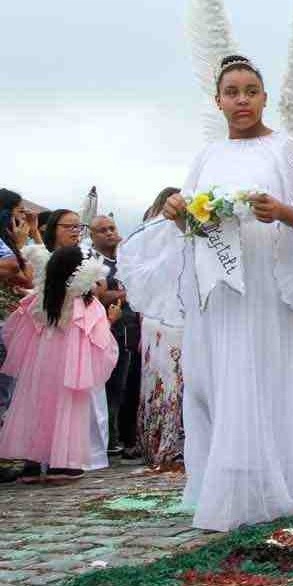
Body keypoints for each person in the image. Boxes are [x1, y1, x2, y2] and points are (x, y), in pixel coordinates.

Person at [119, 54, 293, 529]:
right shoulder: (206, 157)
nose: (241, 100)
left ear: (264, 97)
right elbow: (189, 222)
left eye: (250, 91)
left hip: (266, 290)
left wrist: (284, 211)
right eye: (231, 92)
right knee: (219, 381)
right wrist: (176, 209)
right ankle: (227, 480)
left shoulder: (286, 150)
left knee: (264, 374)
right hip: (218, 291)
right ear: (217, 101)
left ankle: (277, 482)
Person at [0, 246, 119, 482]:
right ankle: (62, 464)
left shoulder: (38, 300)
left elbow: (14, 330)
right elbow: (100, 338)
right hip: (71, 367)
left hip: (39, 365)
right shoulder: (85, 303)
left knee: (35, 410)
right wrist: (111, 320)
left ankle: (32, 465)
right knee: (67, 412)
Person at [134, 188, 186, 468]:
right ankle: (169, 443)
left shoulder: (146, 233)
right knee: (174, 381)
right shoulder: (171, 232)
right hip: (173, 315)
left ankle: (152, 441)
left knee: (156, 378)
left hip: (152, 316)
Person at [91, 215, 142, 460]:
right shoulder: (93, 261)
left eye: (112, 228)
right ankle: (109, 439)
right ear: (92, 236)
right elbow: (98, 296)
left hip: (133, 328)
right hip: (109, 330)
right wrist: (126, 292)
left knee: (132, 386)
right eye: (103, 230)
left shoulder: (126, 258)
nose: (110, 233)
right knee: (113, 387)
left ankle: (129, 437)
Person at [0, 190, 36, 418]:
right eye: (20, 212)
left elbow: (26, 277)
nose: (24, 219)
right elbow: (18, 271)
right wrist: (21, 242)